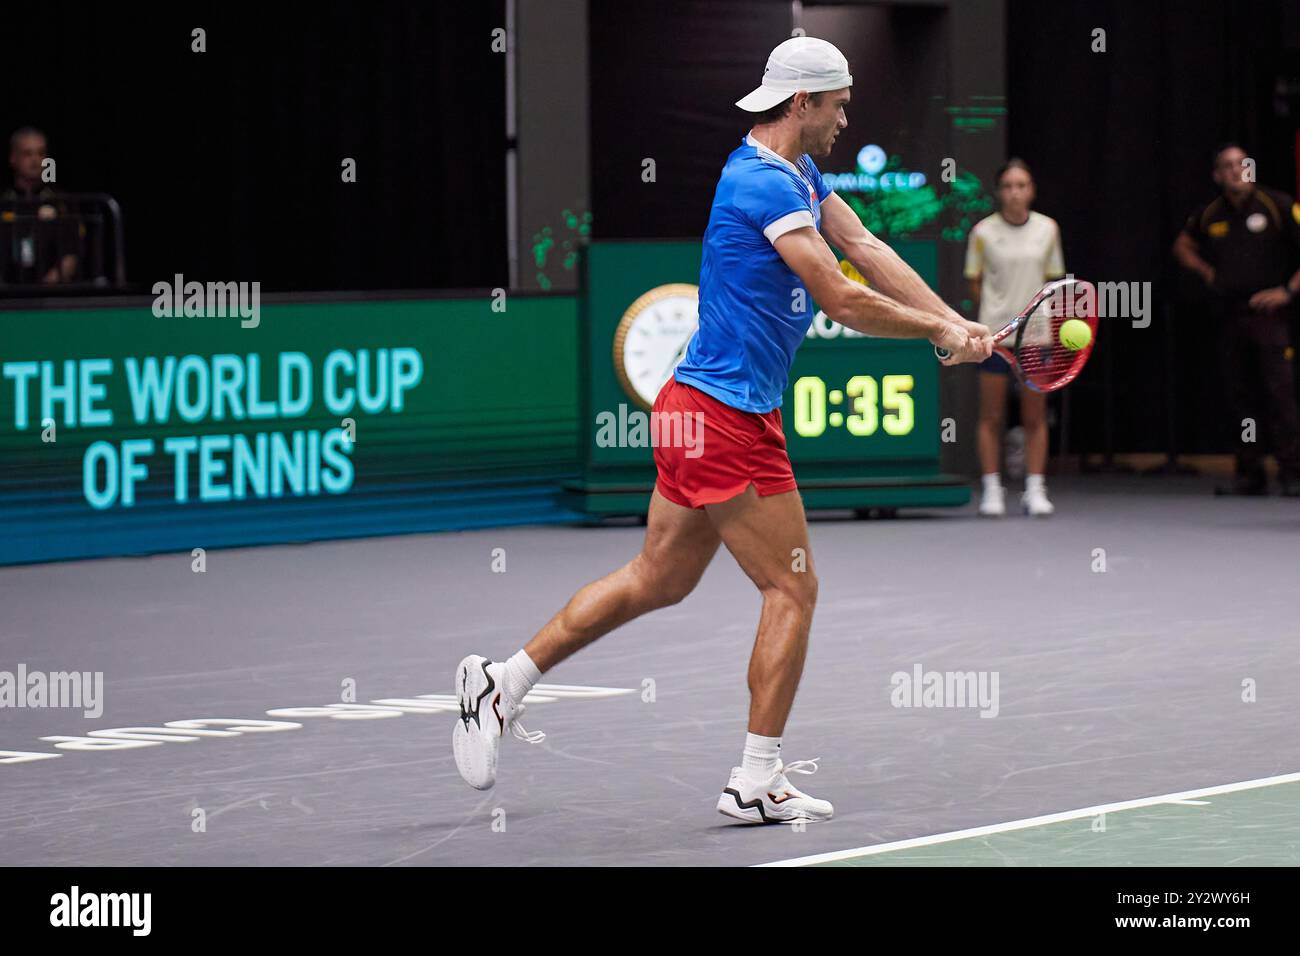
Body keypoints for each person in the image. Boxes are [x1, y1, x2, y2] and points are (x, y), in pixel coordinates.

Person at [451, 37, 992, 824]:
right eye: (838, 104)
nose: (846, 118)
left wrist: (952, 320)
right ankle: (755, 778)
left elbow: (866, 248)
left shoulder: (798, 172)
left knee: (658, 579)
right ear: (801, 103)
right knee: (793, 589)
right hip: (724, 420)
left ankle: (503, 683)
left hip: (693, 410)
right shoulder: (761, 184)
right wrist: (934, 335)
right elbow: (840, 298)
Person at [1173, 143, 1300, 496]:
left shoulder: (1279, 205)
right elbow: (1181, 245)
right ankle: (1250, 471)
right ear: (1217, 175)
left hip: (1271, 317)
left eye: (1241, 164)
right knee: (1241, 400)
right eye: (1226, 166)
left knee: (1281, 395)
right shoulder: (1210, 215)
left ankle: (1292, 471)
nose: (1235, 170)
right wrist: (1206, 271)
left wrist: (1287, 291)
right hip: (1230, 316)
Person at [963, 159, 1066, 516]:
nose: (1014, 192)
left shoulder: (1048, 229)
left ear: (1031, 190)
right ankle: (993, 489)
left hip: (1036, 338)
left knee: (1034, 417)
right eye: (1008, 186)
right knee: (991, 416)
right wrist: (999, 320)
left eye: (1021, 185)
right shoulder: (982, 233)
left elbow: (1052, 282)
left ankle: (1035, 489)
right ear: (999, 192)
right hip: (994, 338)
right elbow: (975, 282)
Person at [1, 127, 79, 285]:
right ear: (13, 158)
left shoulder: (61, 203)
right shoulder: (3, 203)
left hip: (51, 296)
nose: (35, 161)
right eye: (27, 154)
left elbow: (71, 254)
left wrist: (45, 289)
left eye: (41, 153)